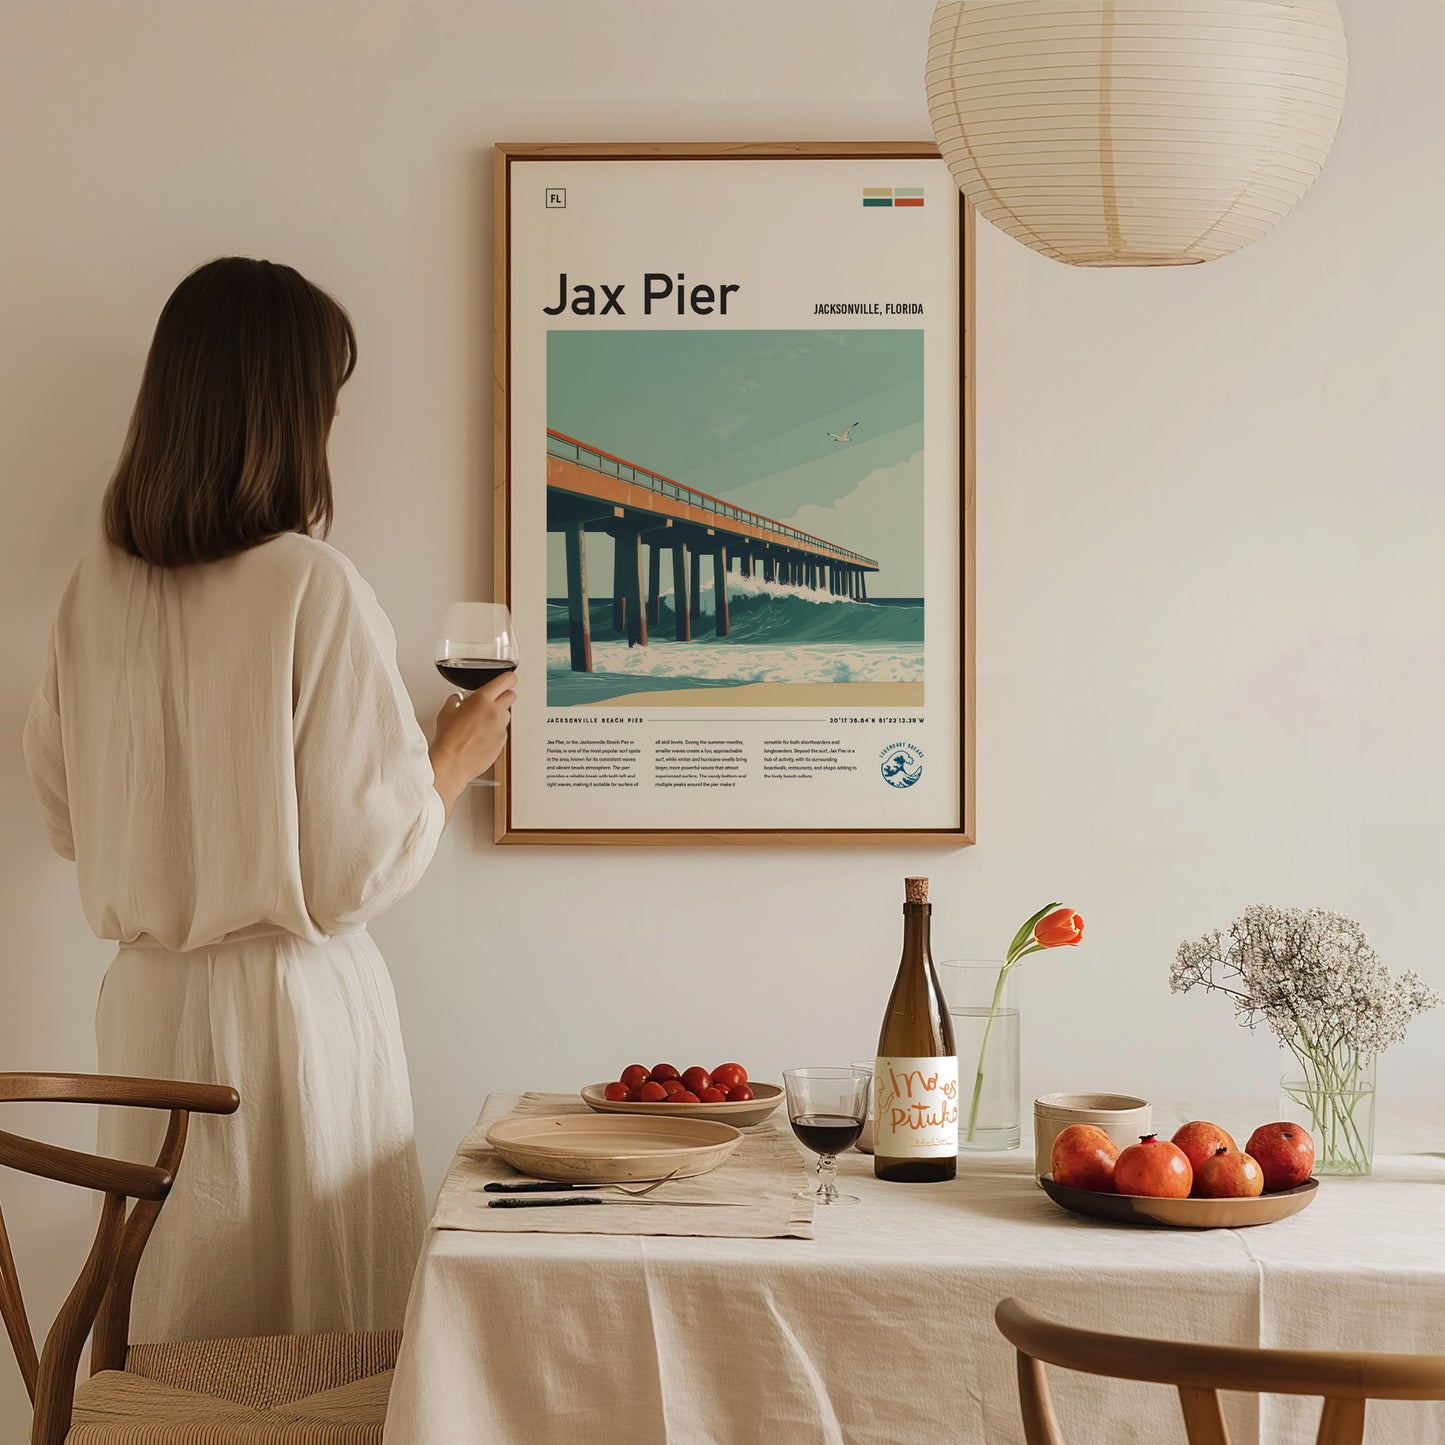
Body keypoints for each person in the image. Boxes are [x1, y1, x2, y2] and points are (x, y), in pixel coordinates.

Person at [21, 256, 513, 1341]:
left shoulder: (92, 590)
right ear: (287, 412)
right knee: (312, 1341)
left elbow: (65, 818)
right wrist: (450, 757)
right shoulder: (310, 583)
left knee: (176, 1325)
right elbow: (351, 872)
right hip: (289, 1018)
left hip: (146, 1009)